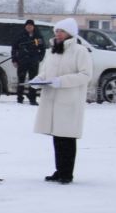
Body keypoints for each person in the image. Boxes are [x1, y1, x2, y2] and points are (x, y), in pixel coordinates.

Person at [33, 18, 93, 184]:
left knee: (67, 138)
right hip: (52, 100)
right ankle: (59, 170)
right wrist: (38, 79)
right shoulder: (52, 51)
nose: (58, 34)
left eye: (61, 31)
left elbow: (85, 75)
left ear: (70, 33)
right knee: (57, 137)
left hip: (69, 100)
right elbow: (45, 71)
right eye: (56, 31)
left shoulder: (80, 51)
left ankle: (67, 173)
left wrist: (62, 81)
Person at [11, 19, 47, 105]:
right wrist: (14, 60)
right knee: (21, 80)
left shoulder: (38, 36)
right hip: (22, 61)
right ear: (25, 26)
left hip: (33, 62)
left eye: (31, 26)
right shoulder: (20, 35)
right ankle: (19, 98)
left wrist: (39, 58)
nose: (29, 27)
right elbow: (14, 48)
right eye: (27, 26)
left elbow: (43, 48)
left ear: (33, 27)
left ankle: (32, 98)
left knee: (33, 81)